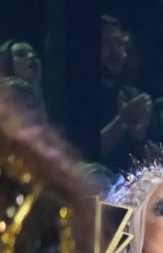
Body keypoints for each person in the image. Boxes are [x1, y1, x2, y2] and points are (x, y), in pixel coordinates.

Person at [62, 16, 151, 171]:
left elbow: (161, 166)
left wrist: (140, 139)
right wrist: (122, 121)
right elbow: (83, 157)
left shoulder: (135, 97)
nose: (115, 50)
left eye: (119, 43)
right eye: (106, 43)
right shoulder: (75, 97)